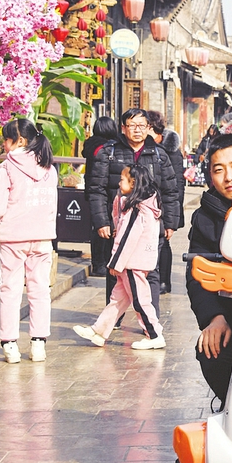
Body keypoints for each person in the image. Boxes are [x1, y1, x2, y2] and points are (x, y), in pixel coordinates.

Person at [87, 108, 179, 314]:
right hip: (118, 224)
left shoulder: (159, 155)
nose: (137, 130)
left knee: (151, 271)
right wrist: (102, 221)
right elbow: (97, 189)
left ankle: (150, 316)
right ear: (123, 128)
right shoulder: (107, 152)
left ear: (148, 128)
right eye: (132, 125)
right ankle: (113, 319)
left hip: (149, 226)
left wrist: (170, 223)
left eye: (141, 126)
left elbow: (170, 191)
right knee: (115, 269)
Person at [186, 133, 232, 405]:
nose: (229, 177)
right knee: (211, 351)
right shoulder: (205, 216)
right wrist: (213, 317)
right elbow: (196, 274)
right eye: (219, 170)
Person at [0, 119, 58, 364]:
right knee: (39, 291)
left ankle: (10, 344)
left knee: (10, 290)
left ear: (20, 141)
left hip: (13, 238)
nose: (4, 144)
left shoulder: (7, 169)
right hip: (42, 237)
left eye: (6, 139)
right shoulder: (49, 168)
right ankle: (38, 344)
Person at [74, 164, 165, 349]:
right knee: (118, 300)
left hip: (132, 262)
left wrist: (116, 263)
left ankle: (154, 334)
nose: (118, 182)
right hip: (133, 261)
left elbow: (127, 239)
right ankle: (99, 332)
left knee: (140, 300)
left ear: (133, 183)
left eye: (122, 179)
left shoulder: (138, 209)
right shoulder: (141, 205)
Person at [147, 110, 185, 294]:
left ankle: (164, 281)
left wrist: (172, 214)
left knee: (164, 243)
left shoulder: (171, 151)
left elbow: (177, 184)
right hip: (148, 204)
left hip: (165, 205)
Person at [82, 116, 118, 276]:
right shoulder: (107, 148)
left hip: (92, 190)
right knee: (106, 227)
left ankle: (98, 263)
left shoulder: (91, 145)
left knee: (96, 226)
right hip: (106, 191)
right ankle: (103, 262)